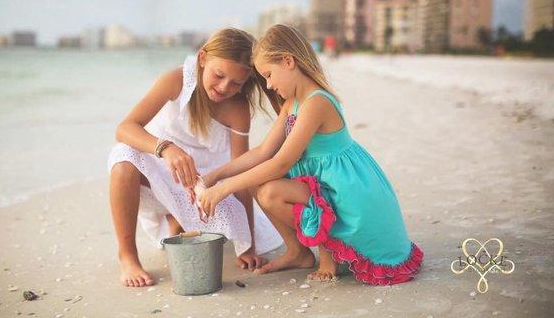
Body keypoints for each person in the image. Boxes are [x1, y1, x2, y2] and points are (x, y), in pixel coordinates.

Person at [198, 24, 423, 285]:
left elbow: (280, 163)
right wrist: (213, 177)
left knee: (270, 190)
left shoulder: (317, 102)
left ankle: (329, 256)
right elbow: (263, 152)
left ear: (288, 61)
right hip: (323, 186)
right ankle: (298, 252)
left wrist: (223, 189)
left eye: (269, 75)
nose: (269, 85)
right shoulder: (293, 102)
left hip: (346, 193)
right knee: (258, 183)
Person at [107, 28, 283, 287]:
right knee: (122, 158)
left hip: (204, 186)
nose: (225, 87)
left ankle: (177, 217)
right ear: (202, 58)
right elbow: (124, 128)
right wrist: (166, 148)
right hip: (160, 169)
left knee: (218, 200)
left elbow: (240, 173)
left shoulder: (237, 106)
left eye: (237, 83)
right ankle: (128, 256)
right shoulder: (176, 79)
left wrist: (248, 245)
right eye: (219, 75)